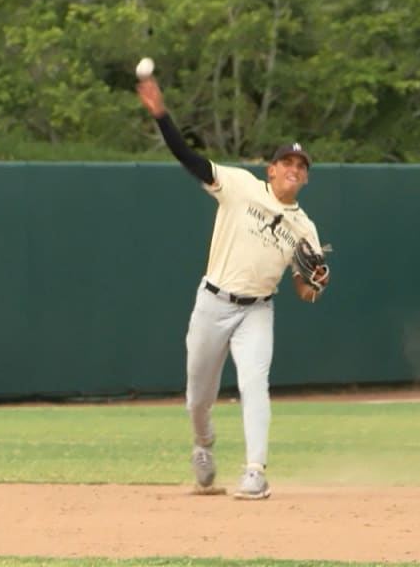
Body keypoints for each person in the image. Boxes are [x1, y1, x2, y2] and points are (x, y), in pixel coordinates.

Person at [136, 76, 329, 500]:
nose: (295, 169)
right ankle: (203, 446)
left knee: (254, 384)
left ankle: (255, 471)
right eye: (288, 163)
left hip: (257, 310)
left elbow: (305, 291)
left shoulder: (305, 228)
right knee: (197, 398)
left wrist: (316, 284)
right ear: (272, 170)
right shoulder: (240, 186)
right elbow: (188, 158)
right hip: (213, 302)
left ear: (305, 179)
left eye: (302, 166)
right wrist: (161, 115)